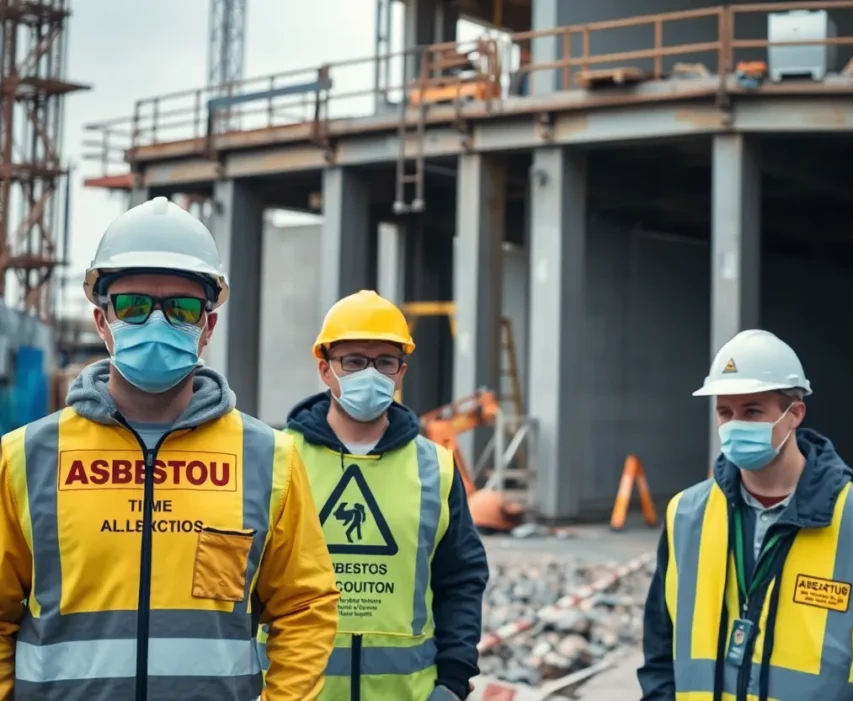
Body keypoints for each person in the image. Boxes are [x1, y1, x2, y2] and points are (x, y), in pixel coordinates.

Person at [0, 197, 340, 701]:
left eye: (180, 308)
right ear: (101, 321)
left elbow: (305, 607)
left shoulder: (269, 459)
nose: (155, 323)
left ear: (207, 326)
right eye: (133, 305)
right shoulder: (26, 457)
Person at [638, 329, 853, 701]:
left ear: (795, 413)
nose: (735, 425)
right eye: (725, 412)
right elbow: (660, 658)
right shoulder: (685, 517)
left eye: (752, 410)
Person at [260, 289, 489, 700]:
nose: (371, 373)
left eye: (385, 361)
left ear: (401, 372)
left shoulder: (434, 467)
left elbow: (461, 580)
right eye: (353, 361)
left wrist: (453, 684)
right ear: (325, 370)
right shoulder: (279, 457)